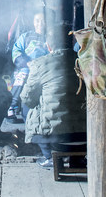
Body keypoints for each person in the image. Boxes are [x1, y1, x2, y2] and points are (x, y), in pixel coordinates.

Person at [21, 21, 86, 169]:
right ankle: (78, 159)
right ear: (72, 42)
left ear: (48, 46)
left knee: (27, 105)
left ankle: (49, 156)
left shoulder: (39, 64)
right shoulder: (85, 60)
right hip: (87, 134)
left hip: (56, 136)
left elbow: (28, 99)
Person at [6, 11, 48, 122]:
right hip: (26, 67)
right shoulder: (26, 36)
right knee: (23, 73)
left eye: (42, 20)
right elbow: (16, 50)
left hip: (44, 68)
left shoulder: (50, 37)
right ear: (33, 22)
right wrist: (25, 62)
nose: (40, 23)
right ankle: (12, 105)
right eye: (37, 20)